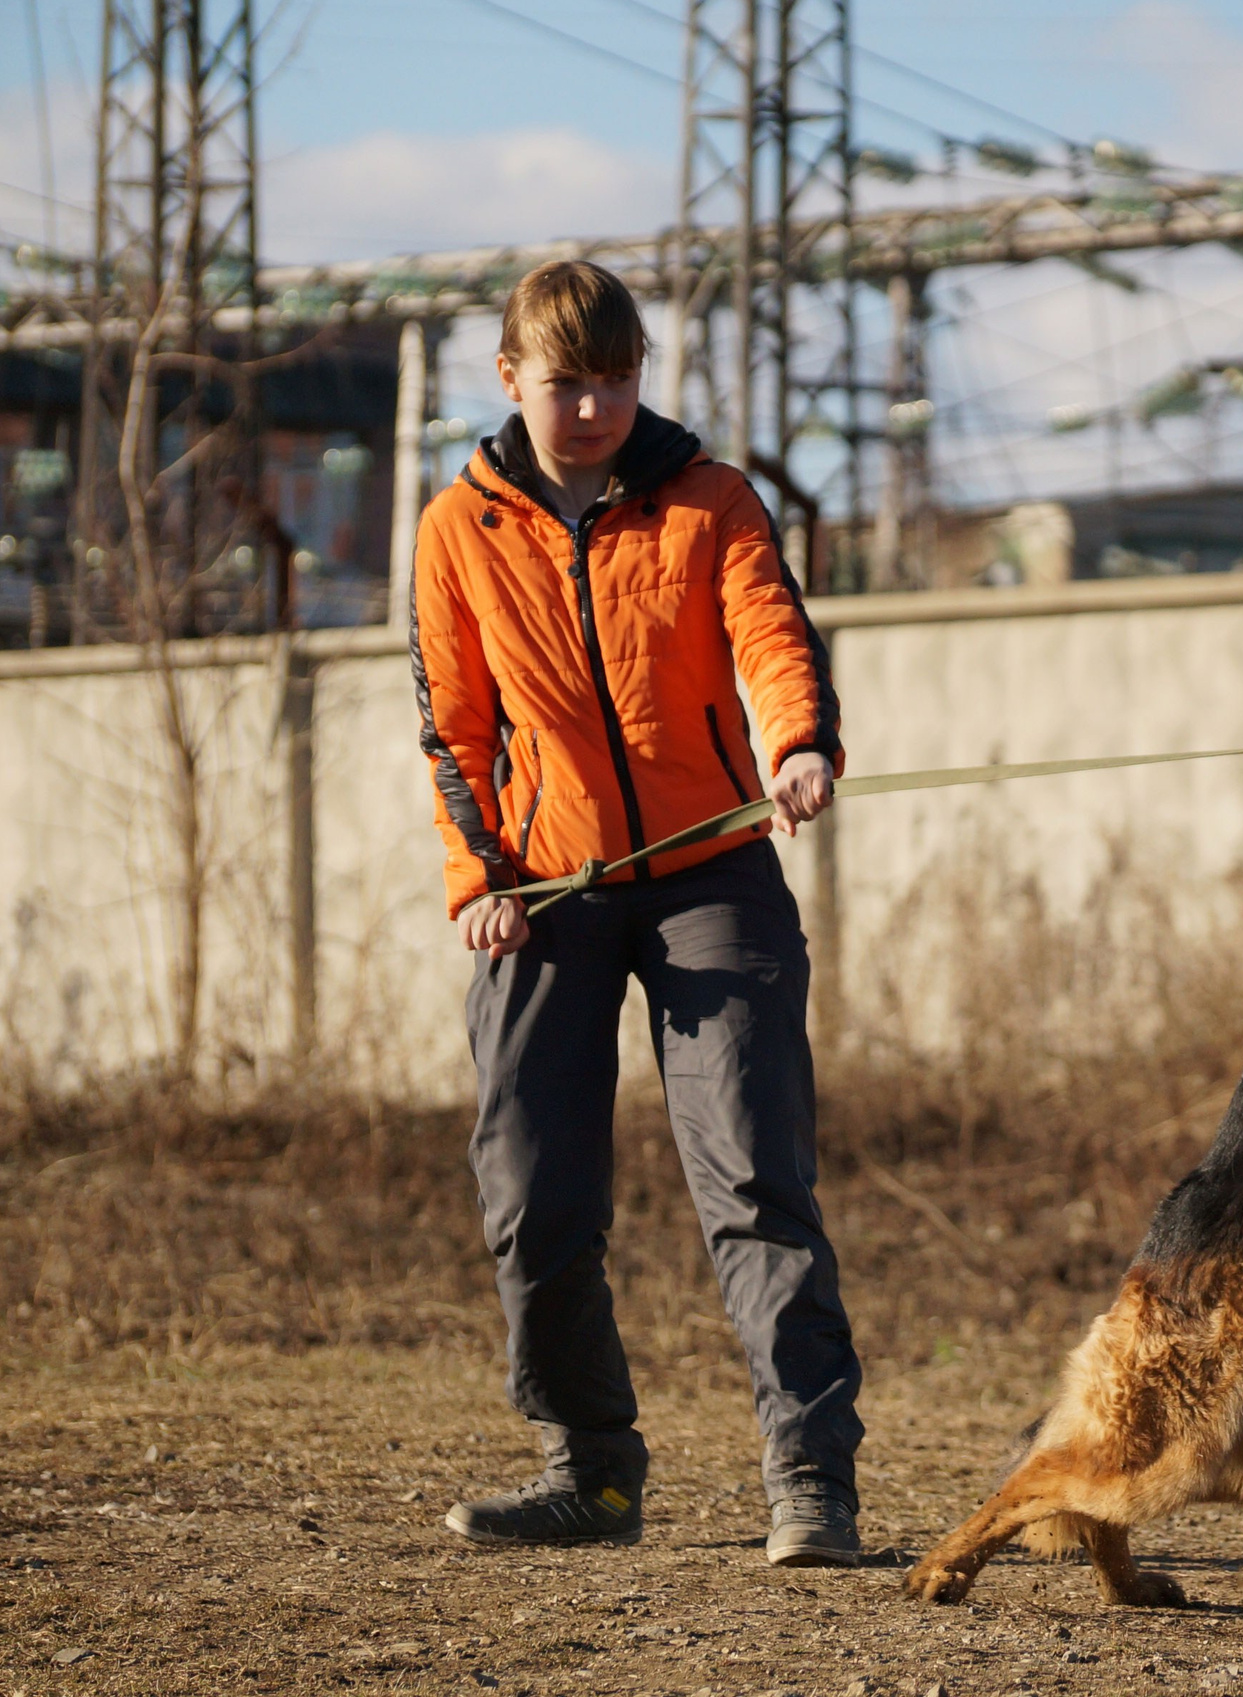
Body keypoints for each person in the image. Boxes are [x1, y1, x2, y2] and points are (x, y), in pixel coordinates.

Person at [409, 259, 864, 1566]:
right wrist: (482, 880)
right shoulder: (457, 529)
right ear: (510, 378)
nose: (595, 407)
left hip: (713, 874)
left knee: (754, 1171)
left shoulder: (711, 499)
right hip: (544, 890)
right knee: (531, 1191)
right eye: (568, 383)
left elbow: (771, 631)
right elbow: (452, 729)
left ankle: (811, 1478)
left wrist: (796, 742)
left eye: (617, 379)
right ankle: (591, 1472)